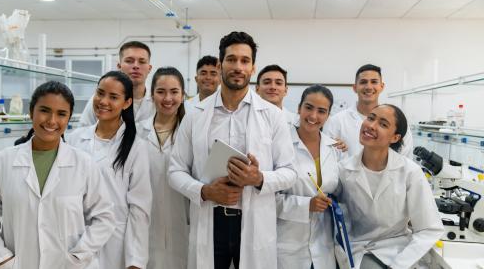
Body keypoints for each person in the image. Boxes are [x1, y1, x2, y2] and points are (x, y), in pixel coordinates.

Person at [168, 31, 297, 269]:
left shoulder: (273, 116)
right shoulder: (195, 114)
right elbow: (175, 171)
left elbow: (289, 172)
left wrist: (259, 178)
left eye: (244, 61)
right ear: (220, 64)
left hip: (253, 223)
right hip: (210, 219)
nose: (238, 66)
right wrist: (204, 191)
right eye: (231, 59)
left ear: (253, 68)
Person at [0, 81, 115, 269]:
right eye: (45, 110)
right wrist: (1, 258)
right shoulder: (3, 161)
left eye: (61, 114)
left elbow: (104, 217)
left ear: (69, 118)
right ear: (32, 112)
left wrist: (79, 255)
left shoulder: (84, 164)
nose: (52, 120)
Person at [336, 104, 444, 268]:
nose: (371, 126)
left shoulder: (409, 172)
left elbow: (429, 229)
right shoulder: (343, 169)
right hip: (357, 247)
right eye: (371, 118)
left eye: (383, 124)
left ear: (395, 137)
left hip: (396, 250)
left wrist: (399, 265)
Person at [68, 71, 152, 269]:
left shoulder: (136, 147)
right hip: (76, 238)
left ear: (127, 103)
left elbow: (140, 208)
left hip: (116, 243)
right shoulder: (74, 139)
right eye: (100, 93)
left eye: (113, 97)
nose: (103, 101)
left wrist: (136, 261)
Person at [276, 85, 340, 269]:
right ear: (299, 108)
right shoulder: (281, 144)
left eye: (321, 111)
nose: (313, 116)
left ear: (328, 115)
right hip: (288, 246)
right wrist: (306, 205)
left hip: (324, 247)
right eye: (309, 107)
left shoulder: (334, 149)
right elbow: (265, 198)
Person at [138, 67, 190, 269]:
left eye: (174, 92)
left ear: (183, 95)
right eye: (161, 91)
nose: (167, 98)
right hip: (146, 218)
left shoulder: (192, 130)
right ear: (152, 96)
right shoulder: (136, 130)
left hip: (183, 217)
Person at [324, 64, 413, 158]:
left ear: (382, 86)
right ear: (355, 87)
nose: (369, 87)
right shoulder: (336, 121)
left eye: (374, 82)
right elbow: (325, 158)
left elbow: (406, 160)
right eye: (363, 82)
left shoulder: (398, 123)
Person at [80, 41, 155, 126]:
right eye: (129, 61)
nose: (136, 66)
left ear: (149, 68)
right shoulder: (101, 99)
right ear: (119, 67)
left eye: (142, 62)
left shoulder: (157, 100)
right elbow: (83, 131)